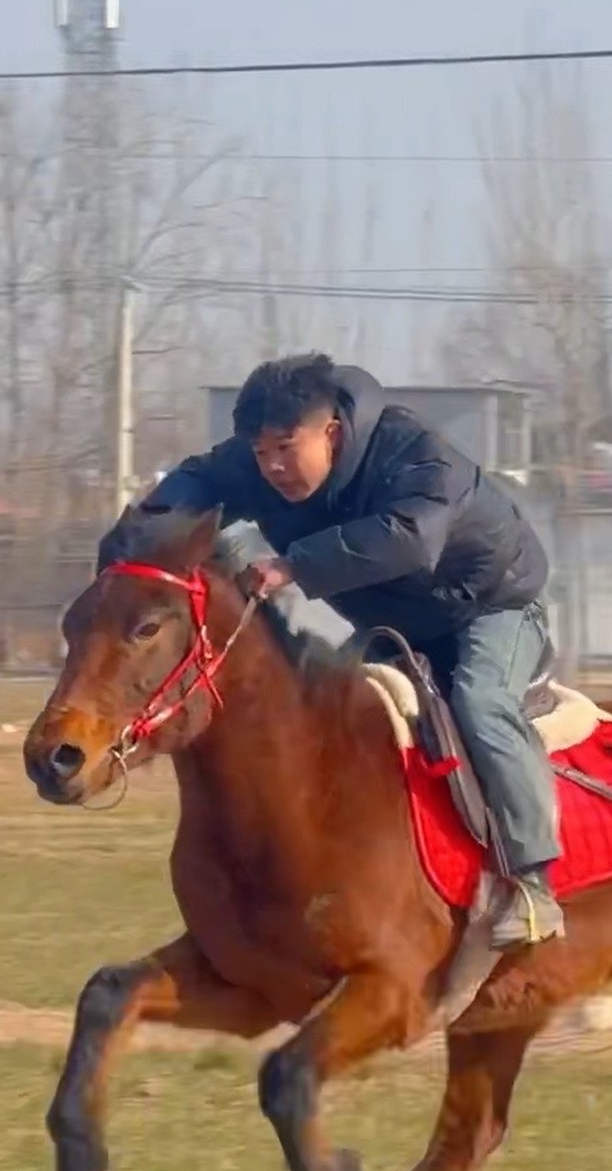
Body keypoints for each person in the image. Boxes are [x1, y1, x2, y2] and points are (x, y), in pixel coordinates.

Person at [101, 354, 563, 949]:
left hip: (493, 607)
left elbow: (411, 536)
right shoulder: (259, 463)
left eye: (285, 449)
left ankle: (533, 885)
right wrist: (139, 537)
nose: (272, 467)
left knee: (480, 702)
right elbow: (200, 481)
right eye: (260, 452)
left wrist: (294, 565)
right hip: (395, 623)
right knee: (327, 719)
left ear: (332, 432)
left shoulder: (417, 455)